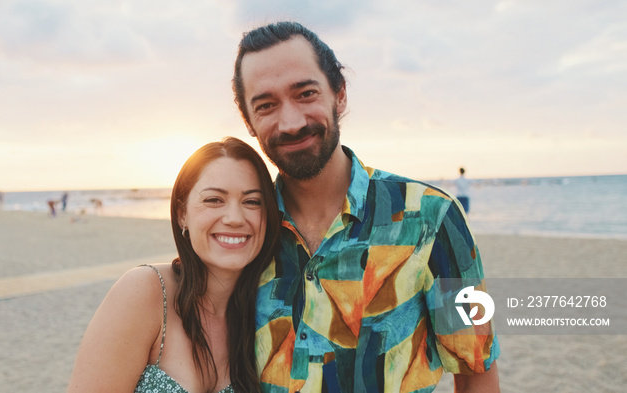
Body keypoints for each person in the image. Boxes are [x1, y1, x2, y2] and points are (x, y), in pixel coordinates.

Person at [232, 22, 500, 392]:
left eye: (306, 93)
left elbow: (476, 373)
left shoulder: (433, 218)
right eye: (266, 105)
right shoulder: (242, 232)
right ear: (248, 120)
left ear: (339, 94)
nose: (291, 122)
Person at [67, 137, 280, 393]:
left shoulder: (270, 312)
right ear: (182, 214)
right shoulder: (146, 291)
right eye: (214, 200)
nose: (235, 218)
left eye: (252, 202)